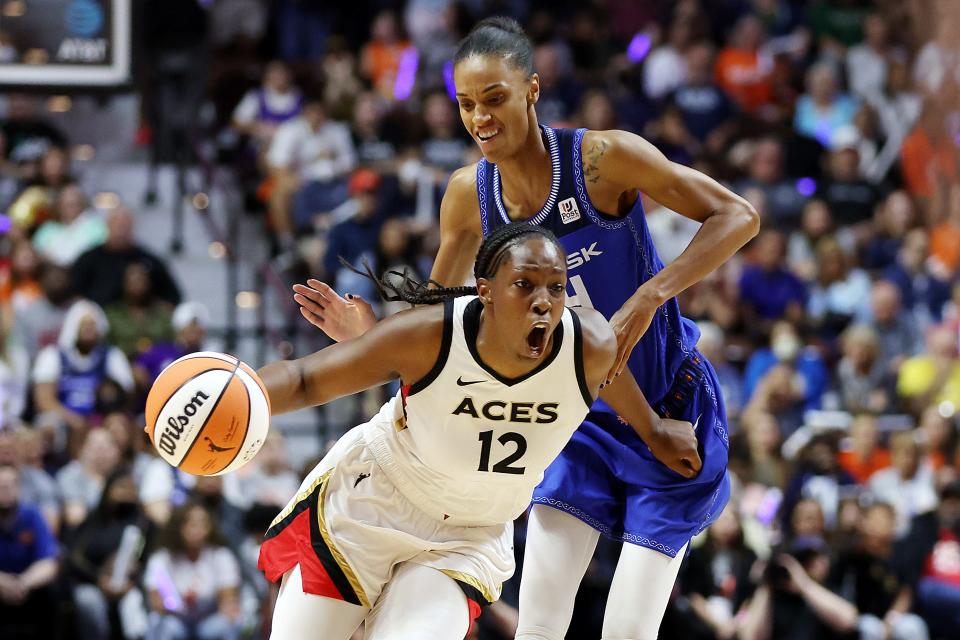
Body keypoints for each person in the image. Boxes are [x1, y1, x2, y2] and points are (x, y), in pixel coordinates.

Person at [290, 16, 759, 639]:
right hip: (574, 416)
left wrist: (651, 295)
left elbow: (739, 215)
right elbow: (438, 321)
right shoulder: (467, 194)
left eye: (494, 98)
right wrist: (371, 335)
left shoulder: (603, 159)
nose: (479, 118)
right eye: (465, 105)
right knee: (538, 622)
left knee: (625, 631)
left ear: (532, 90)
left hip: (668, 400)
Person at [255, 224, 691, 638]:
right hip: (372, 503)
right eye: (525, 284)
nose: (545, 301)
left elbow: (609, 380)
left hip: (468, 535)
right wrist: (239, 388)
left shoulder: (589, 344)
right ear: (486, 291)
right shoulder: (429, 334)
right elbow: (305, 380)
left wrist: (653, 431)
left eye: (556, 287)